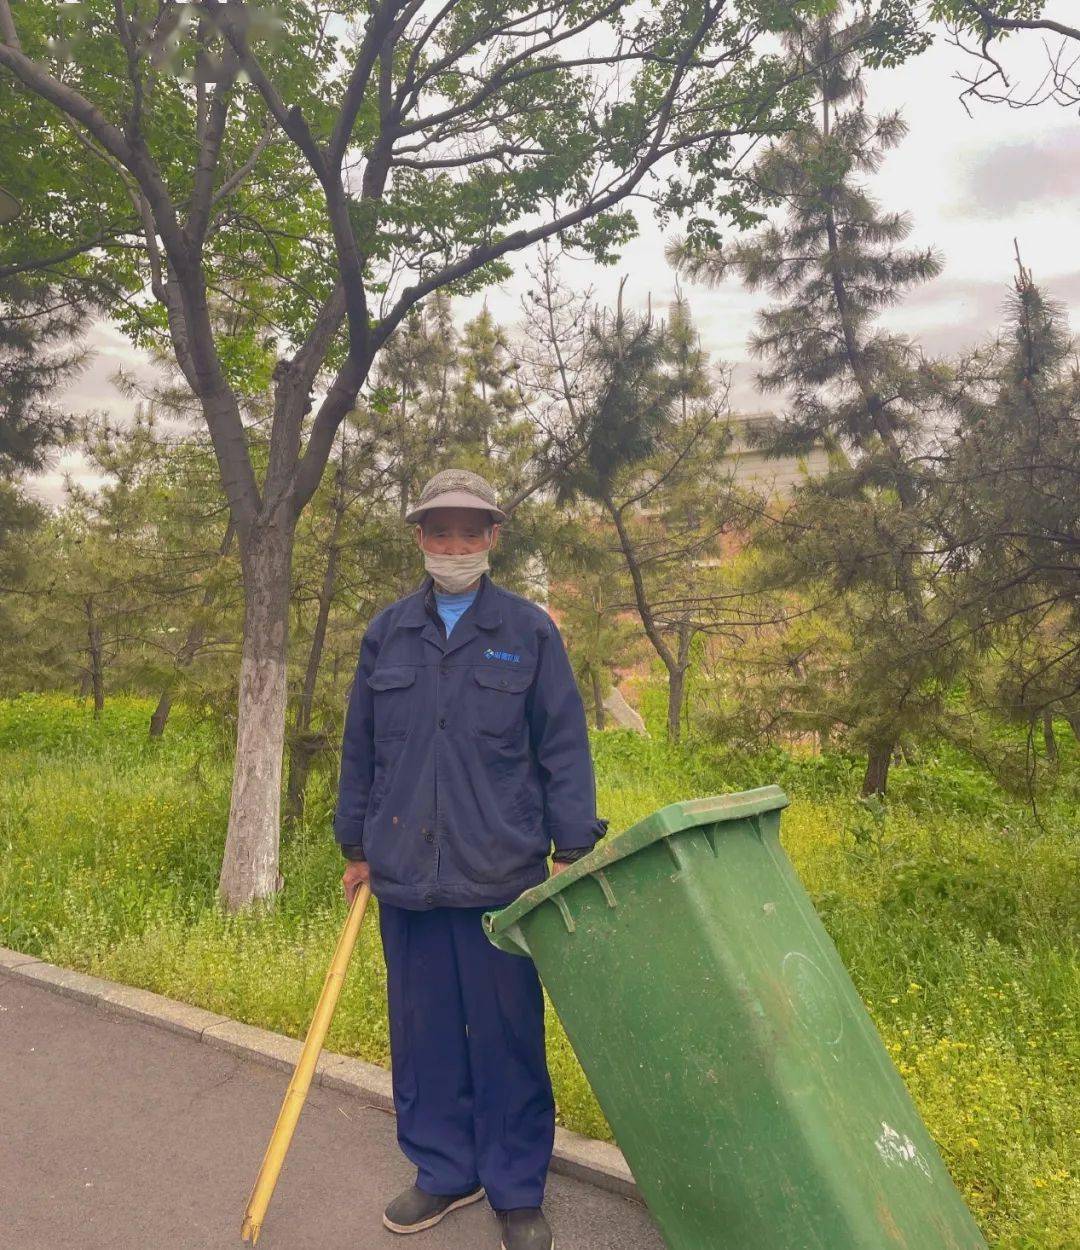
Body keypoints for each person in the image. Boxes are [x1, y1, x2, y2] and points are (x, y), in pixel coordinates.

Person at [334, 468, 608, 1250]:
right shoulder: (388, 633)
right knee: (421, 1032)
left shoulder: (529, 631)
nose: (454, 545)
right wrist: (355, 845)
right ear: (419, 537)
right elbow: (363, 748)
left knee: (505, 1033)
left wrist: (573, 847)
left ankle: (516, 1186)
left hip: (502, 876)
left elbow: (562, 746)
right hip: (405, 874)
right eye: (439, 530)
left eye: (469, 530)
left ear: (493, 538)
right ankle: (444, 1170)